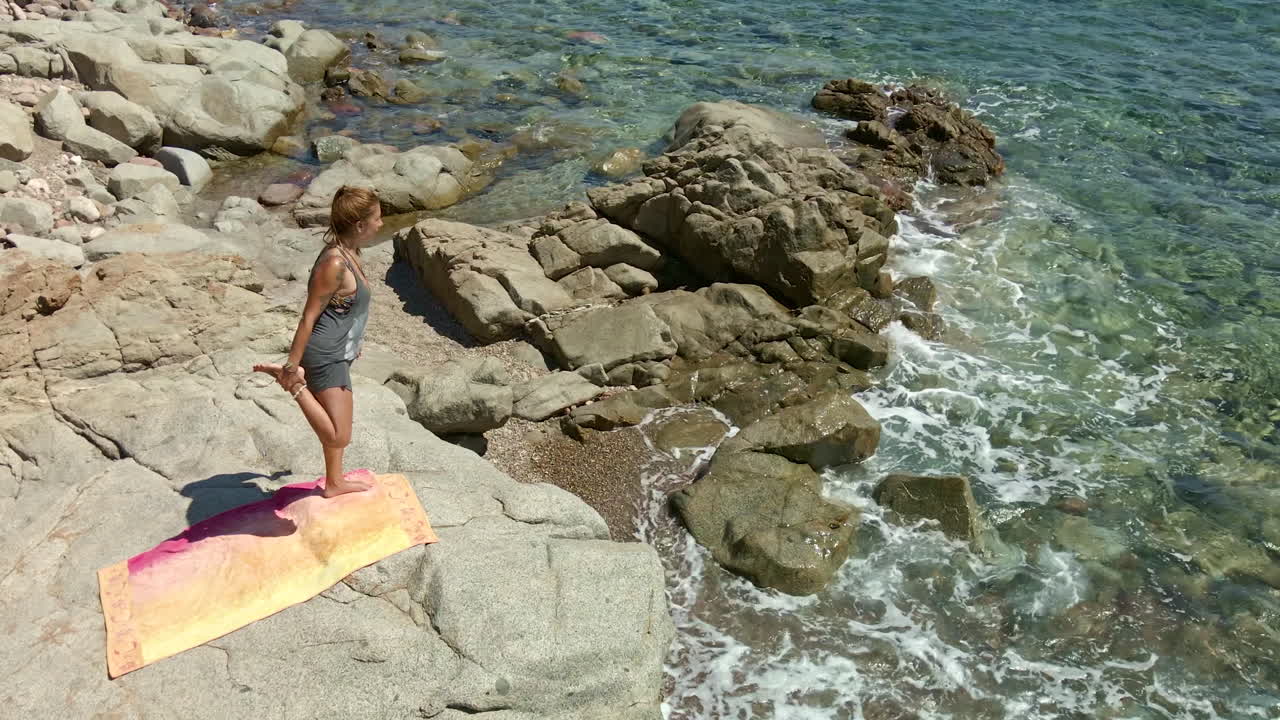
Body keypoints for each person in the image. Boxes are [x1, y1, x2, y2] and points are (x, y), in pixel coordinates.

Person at [253, 186, 383, 498]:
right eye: (377, 219)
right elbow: (309, 316)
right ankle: (292, 385)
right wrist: (292, 366)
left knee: (336, 426)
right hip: (326, 355)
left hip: (340, 351)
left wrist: (354, 342)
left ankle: (335, 482)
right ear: (359, 225)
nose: (381, 224)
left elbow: (346, 310)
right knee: (339, 435)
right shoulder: (335, 264)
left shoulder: (350, 253)